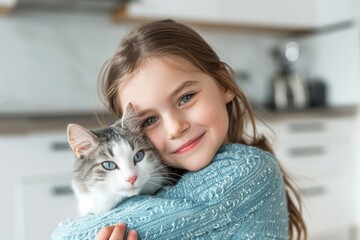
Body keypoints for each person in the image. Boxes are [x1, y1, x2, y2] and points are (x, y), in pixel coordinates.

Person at [51, 19, 307, 240]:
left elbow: (69, 237)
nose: (176, 128)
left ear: (225, 84)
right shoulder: (168, 182)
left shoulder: (247, 169)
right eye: (149, 120)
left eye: (186, 98)